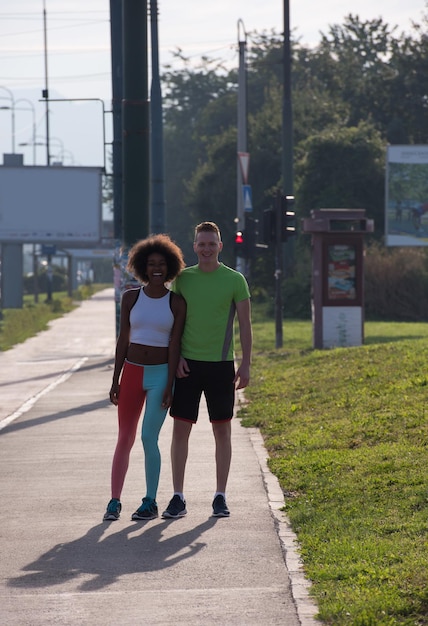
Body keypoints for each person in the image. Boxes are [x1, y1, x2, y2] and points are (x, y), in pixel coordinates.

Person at [162, 221, 252, 519]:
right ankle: (177, 496)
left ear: (220, 246)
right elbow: (171, 322)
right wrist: (175, 359)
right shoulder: (183, 280)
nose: (206, 249)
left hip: (221, 365)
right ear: (194, 246)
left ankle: (220, 495)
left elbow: (246, 326)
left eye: (211, 243)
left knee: (222, 430)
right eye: (201, 243)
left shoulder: (235, 280)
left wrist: (246, 364)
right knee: (180, 430)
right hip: (188, 365)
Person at [103, 234, 186, 522]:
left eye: (161, 264)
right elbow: (122, 340)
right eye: (151, 264)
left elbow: (174, 344)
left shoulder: (176, 302)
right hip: (132, 372)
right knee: (124, 437)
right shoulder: (130, 298)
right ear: (142, 267)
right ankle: (114, 501)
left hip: (160, 376)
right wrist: (116, 380)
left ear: (170, 267)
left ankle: (149, 501)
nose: (156, 269)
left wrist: (170, 385)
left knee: (149, 437)